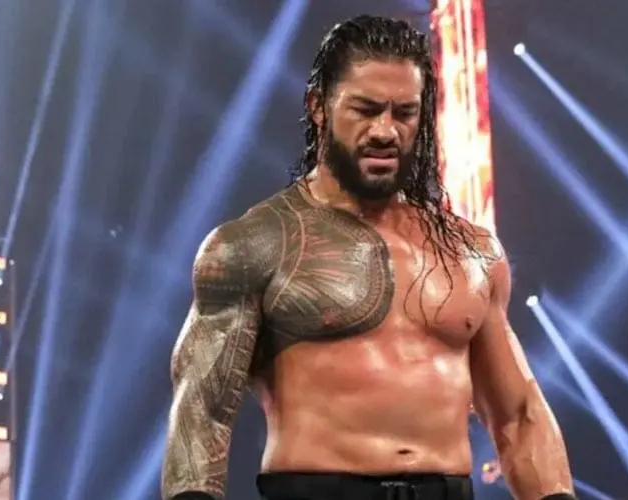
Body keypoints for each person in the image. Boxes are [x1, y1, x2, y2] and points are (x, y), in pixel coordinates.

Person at [162, 15, 574, 500]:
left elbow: (518, 417)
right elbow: (203, 415)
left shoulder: (471, 254)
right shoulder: (254, 245)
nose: (385, 131)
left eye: (404, 113)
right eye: (366, 109)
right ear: (319, 107)